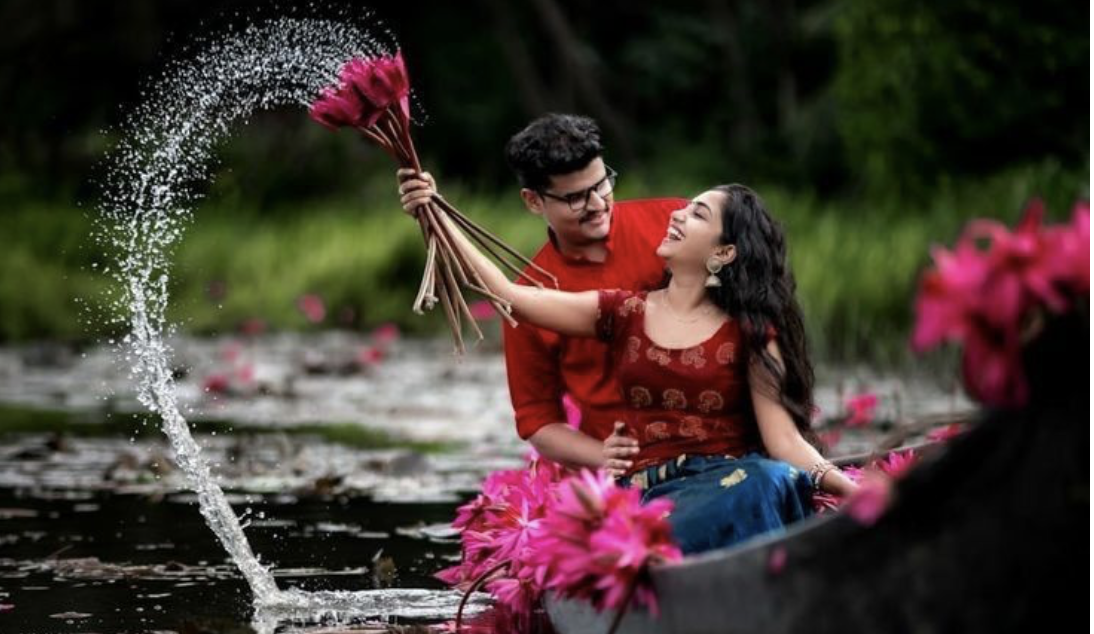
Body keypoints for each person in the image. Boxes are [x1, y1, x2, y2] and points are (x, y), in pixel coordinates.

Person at [399, 176, 859, 553]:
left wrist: (855, 491)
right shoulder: (623, 312)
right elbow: (510, 296)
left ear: (723, 253)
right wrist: (435, 214)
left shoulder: (752, 333)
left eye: (697, 214)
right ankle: (646, 553)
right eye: (685, 208)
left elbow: (784, 442)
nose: (677, 214)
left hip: (731, 487)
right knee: (655, 521)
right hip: (644, 495)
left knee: (770, 478)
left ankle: (672, 560)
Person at [410, 114, 688, 471]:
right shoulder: (530, 298)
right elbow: (538, 419)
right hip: (627, 470)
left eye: (603, 184)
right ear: (533, 201)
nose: (598, 204)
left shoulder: (676, 222)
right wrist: (606, 458)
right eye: (576, 198)